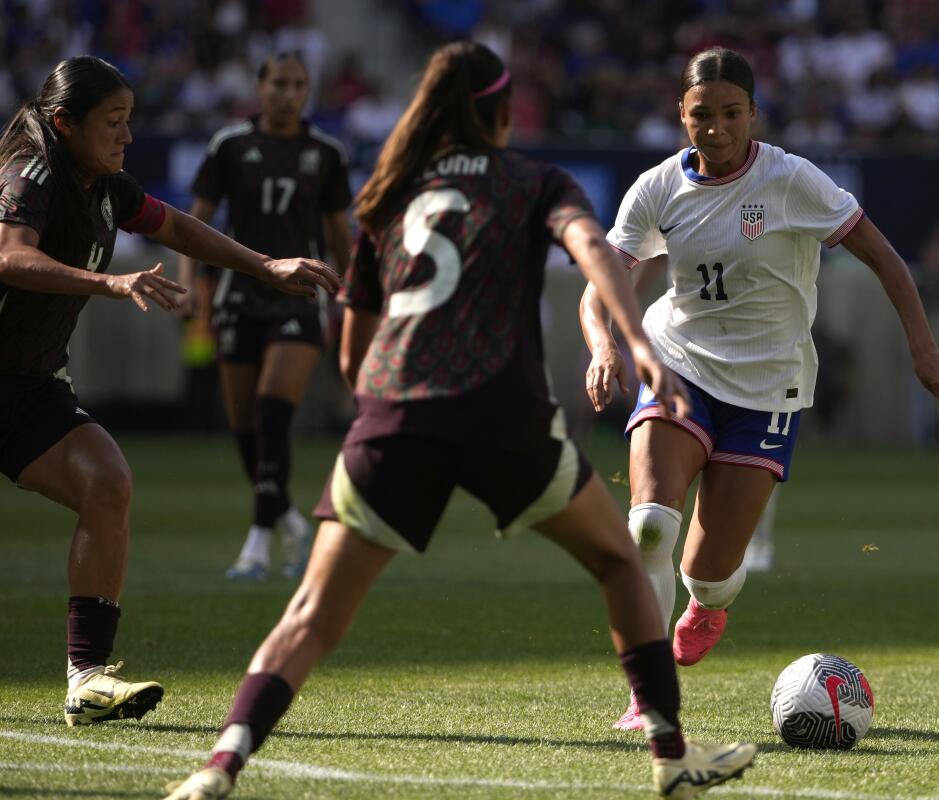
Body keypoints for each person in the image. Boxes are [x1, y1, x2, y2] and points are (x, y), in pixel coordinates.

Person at [162, 42, 755, 800]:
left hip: (396, 414)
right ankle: (671, 755)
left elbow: (353, 355)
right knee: (617, 561)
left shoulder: (392, 190)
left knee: (310, 614)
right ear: (505, 113)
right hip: (503, 413)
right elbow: (593, 251)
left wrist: (381, 412)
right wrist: (638, 345)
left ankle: (221, 764)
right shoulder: (535, 179)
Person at [0, 56, 340, 727]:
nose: (126, 137)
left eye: (130, 122)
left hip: (31, 389)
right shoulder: (31, 171)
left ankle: (87, 679)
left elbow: (174, 225)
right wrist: (111, 283)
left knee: (108, 482)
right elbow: (11, 258)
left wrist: (264, 265)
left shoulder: (105, 184)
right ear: (65, 123)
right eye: (113, 123)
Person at [579, 47, 939, 731]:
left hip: (767, 388)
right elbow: (603, 286)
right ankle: (647, 694)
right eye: (702, 114)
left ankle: (708, 604)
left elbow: (883, 256)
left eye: (731, 113)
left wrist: (924, 346)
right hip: (678, 365)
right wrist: (605, 343)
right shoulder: (657, 189)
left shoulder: (792, 180)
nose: (716, 128)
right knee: (648, 529)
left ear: (753, 114)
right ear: (682, 115)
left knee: (710, 572)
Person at [179, 52, 353, 581]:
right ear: (260, 87)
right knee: (246, 428)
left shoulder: (325, 153)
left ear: (308, 91)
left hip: (300, 296)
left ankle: (256, 545)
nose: (288, 93)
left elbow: (338, 234)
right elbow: (195, 223)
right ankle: (291, 525)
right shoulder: (229, 145)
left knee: (273, 410)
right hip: (238, 293)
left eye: (299, 84)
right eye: (279, 83)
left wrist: (349, 295)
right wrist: (190, 286)